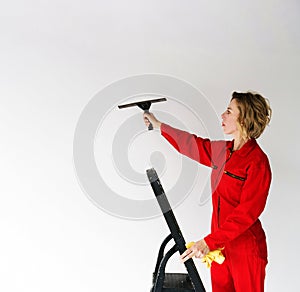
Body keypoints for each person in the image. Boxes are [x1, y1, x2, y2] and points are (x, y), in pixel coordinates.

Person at [143, 91, 272, 292]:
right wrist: (159, 125)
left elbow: (246, 214)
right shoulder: (224, 151)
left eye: (229, 111)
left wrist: (209, 242)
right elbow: (192, 144)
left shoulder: (257, 162)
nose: (223, 116)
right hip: (220, 248)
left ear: (244, 119)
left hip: (245, 250)